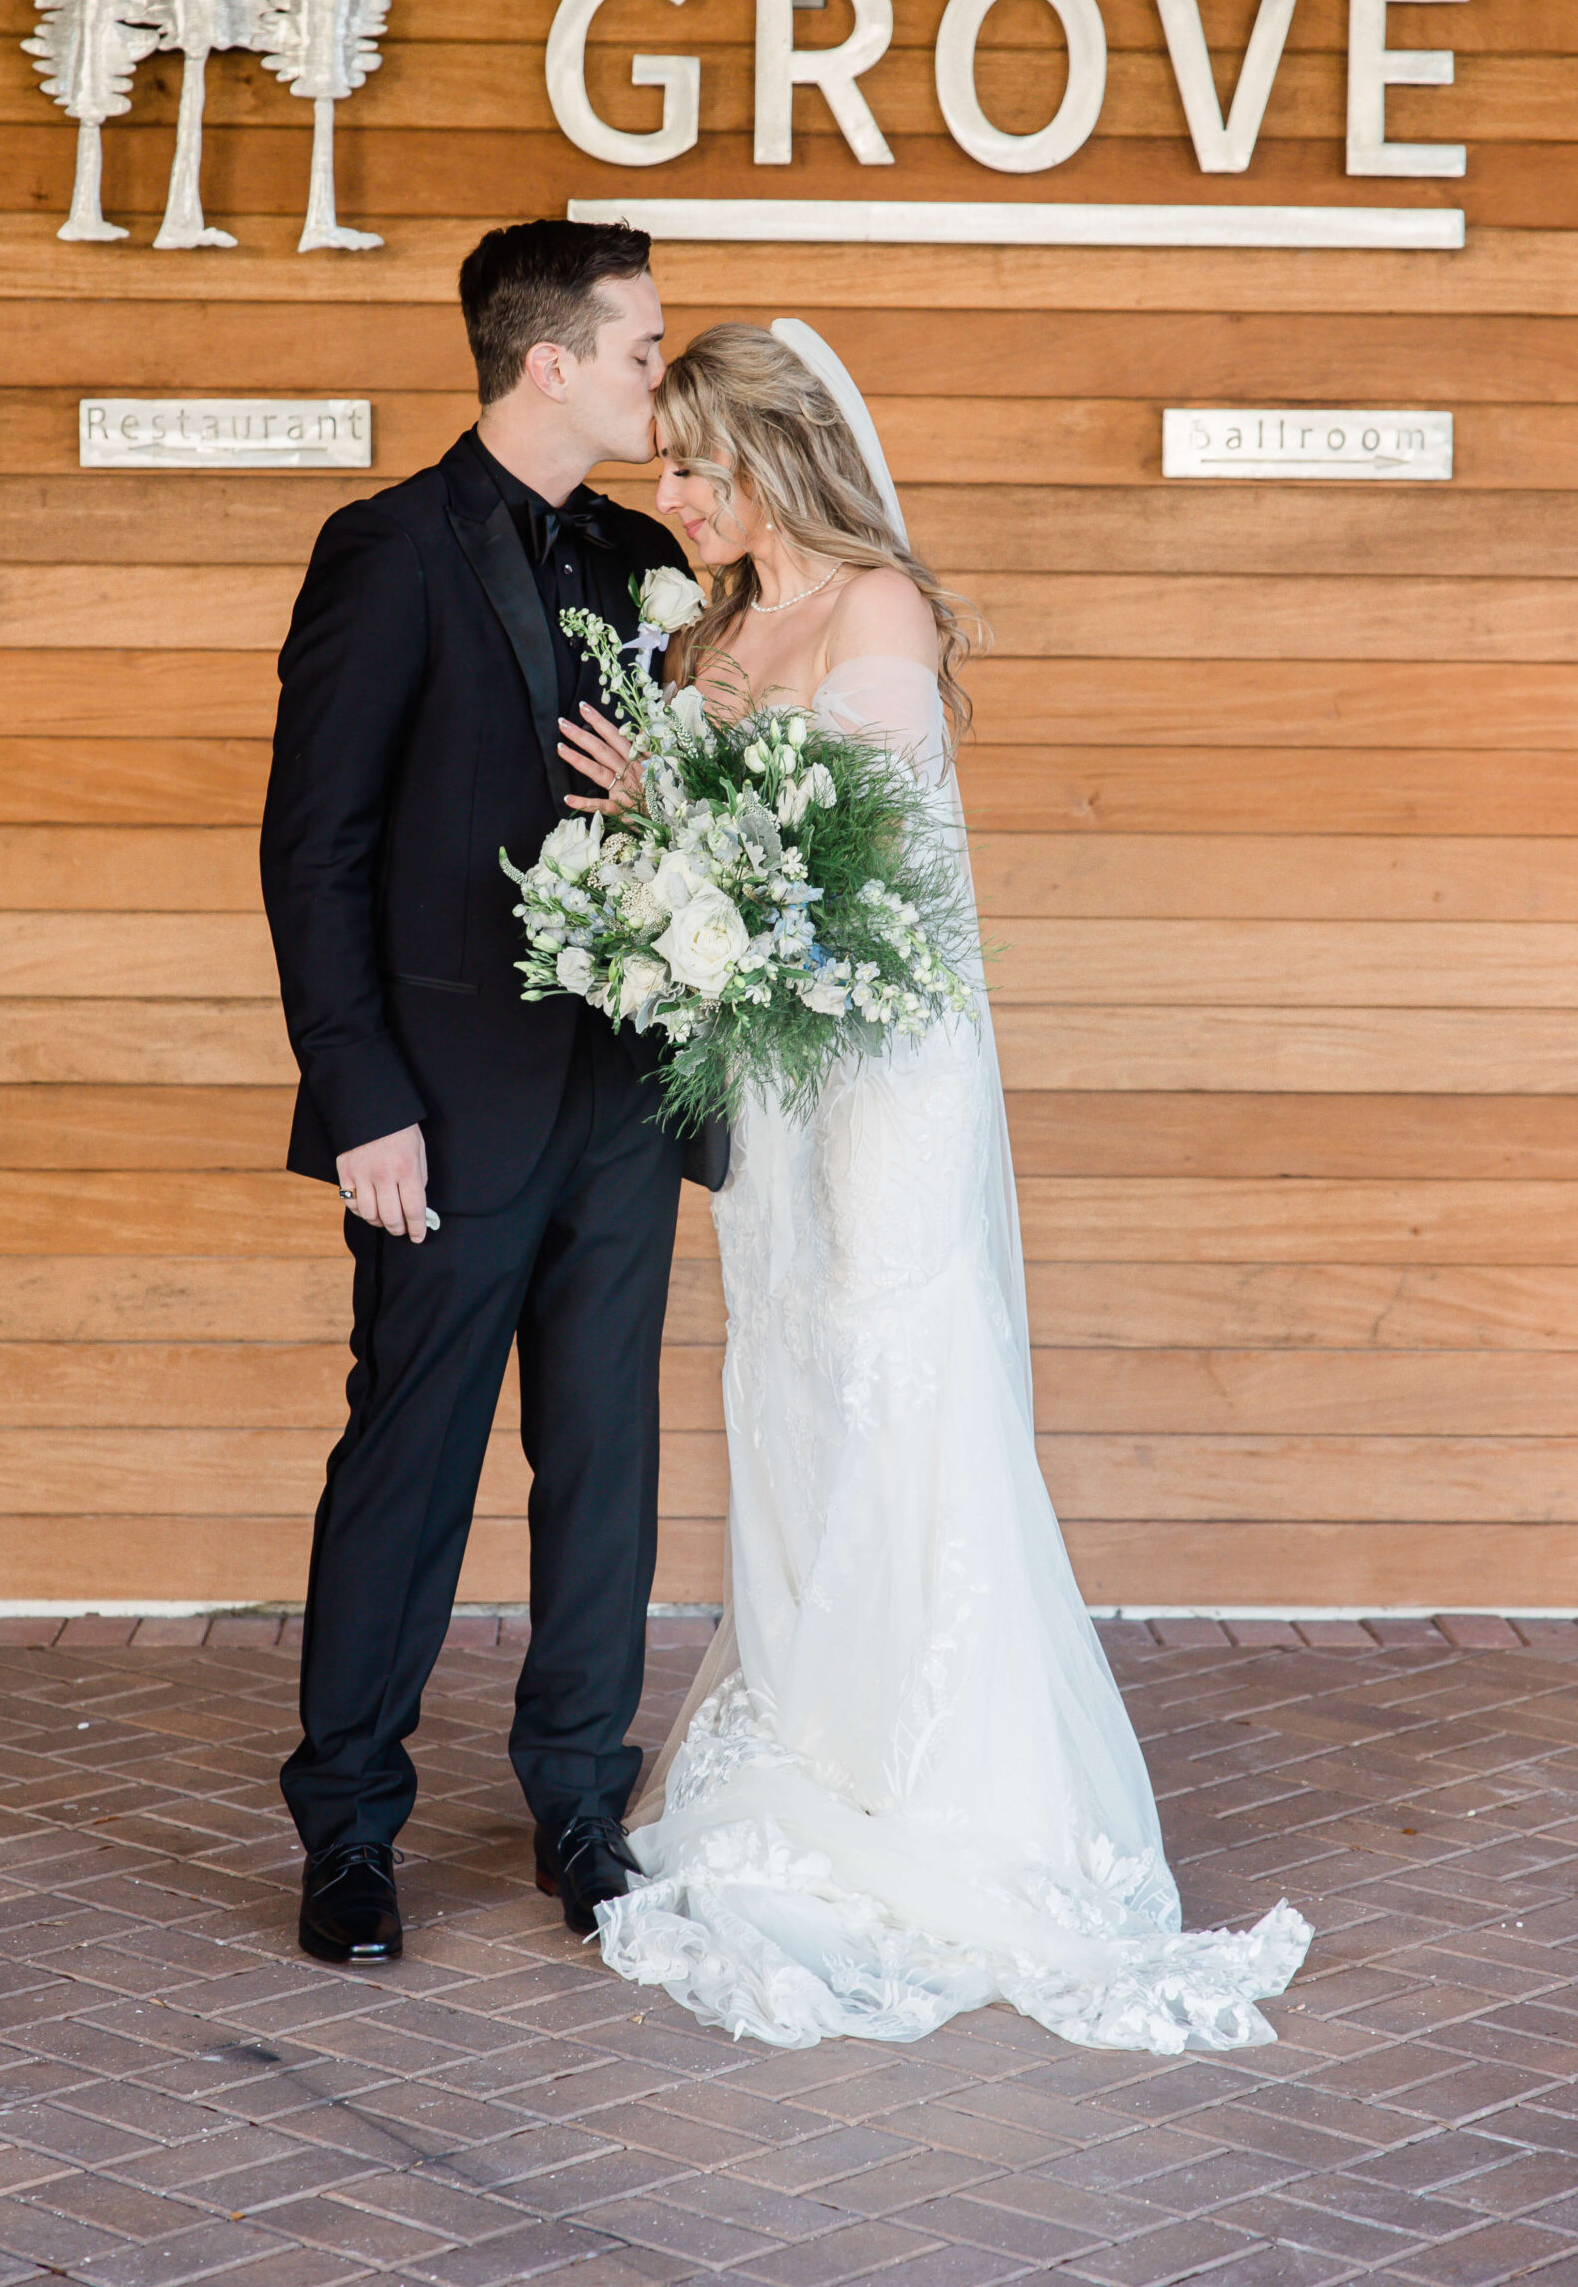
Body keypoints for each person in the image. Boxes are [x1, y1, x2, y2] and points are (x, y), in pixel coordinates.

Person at [558, 322, 1313, 2051]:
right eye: (660, 467)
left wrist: (692, 821)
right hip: (770, 1083)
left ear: (771, 459)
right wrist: (647, 812)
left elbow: (847, 874)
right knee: (795, 1378)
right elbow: (718, 865)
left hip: (884, 1083)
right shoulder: (714, 628)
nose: (664, 500)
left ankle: (946, 1789)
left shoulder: (875, 608)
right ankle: (817, 1737)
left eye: (692, 468)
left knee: (900, 1379)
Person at [260, 219, 724, 1966]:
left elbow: (700, 792)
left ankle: (579, 1805)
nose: (651, 377)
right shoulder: (382, 551)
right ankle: (351, 1834)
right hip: (441, 1110)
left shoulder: (639, 551)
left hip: (618, 1095)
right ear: (549, 360)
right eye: (639, 349)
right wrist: (363, 1099)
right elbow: (318, 851)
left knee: (604, 1463)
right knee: (411, 1465)